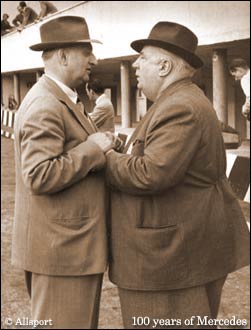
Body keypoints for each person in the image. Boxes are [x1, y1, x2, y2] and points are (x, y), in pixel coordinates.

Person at [89, 22, 250, 328]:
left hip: (170, 262)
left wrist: (104, 155)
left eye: (144, 58)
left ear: (164, 66)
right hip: (177, 254)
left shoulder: (180, 107)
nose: (136, 64)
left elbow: (150, 173)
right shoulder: (176, 100)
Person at [12, 16, 115, 329]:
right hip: (62, 253)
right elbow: (39, 175)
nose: (93, 60)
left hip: (69, 250)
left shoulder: (61, 98)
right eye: (86, 52)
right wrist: (93, 149)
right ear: (63, 56)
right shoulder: (45, 104)